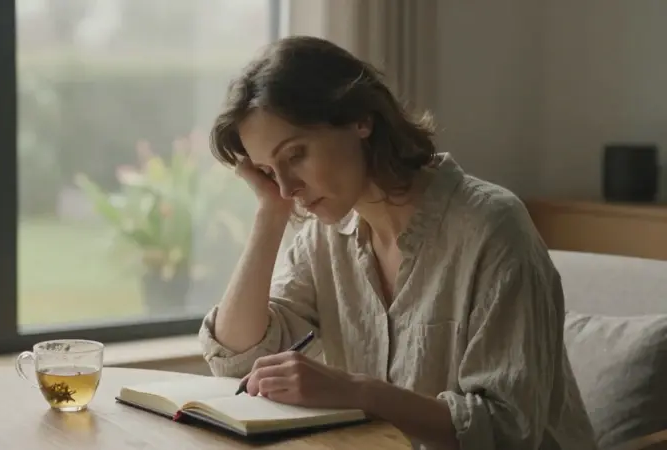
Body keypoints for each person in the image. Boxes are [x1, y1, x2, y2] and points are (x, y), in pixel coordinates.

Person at [197, 35, 598, 450]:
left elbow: (506, 429)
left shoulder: (492, 228)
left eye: (295, 155)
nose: (286, 187)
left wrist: (357, 392)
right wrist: (270, 214)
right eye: (267, 170)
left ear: (360, 120)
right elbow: (236, 360)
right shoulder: (323, 238)